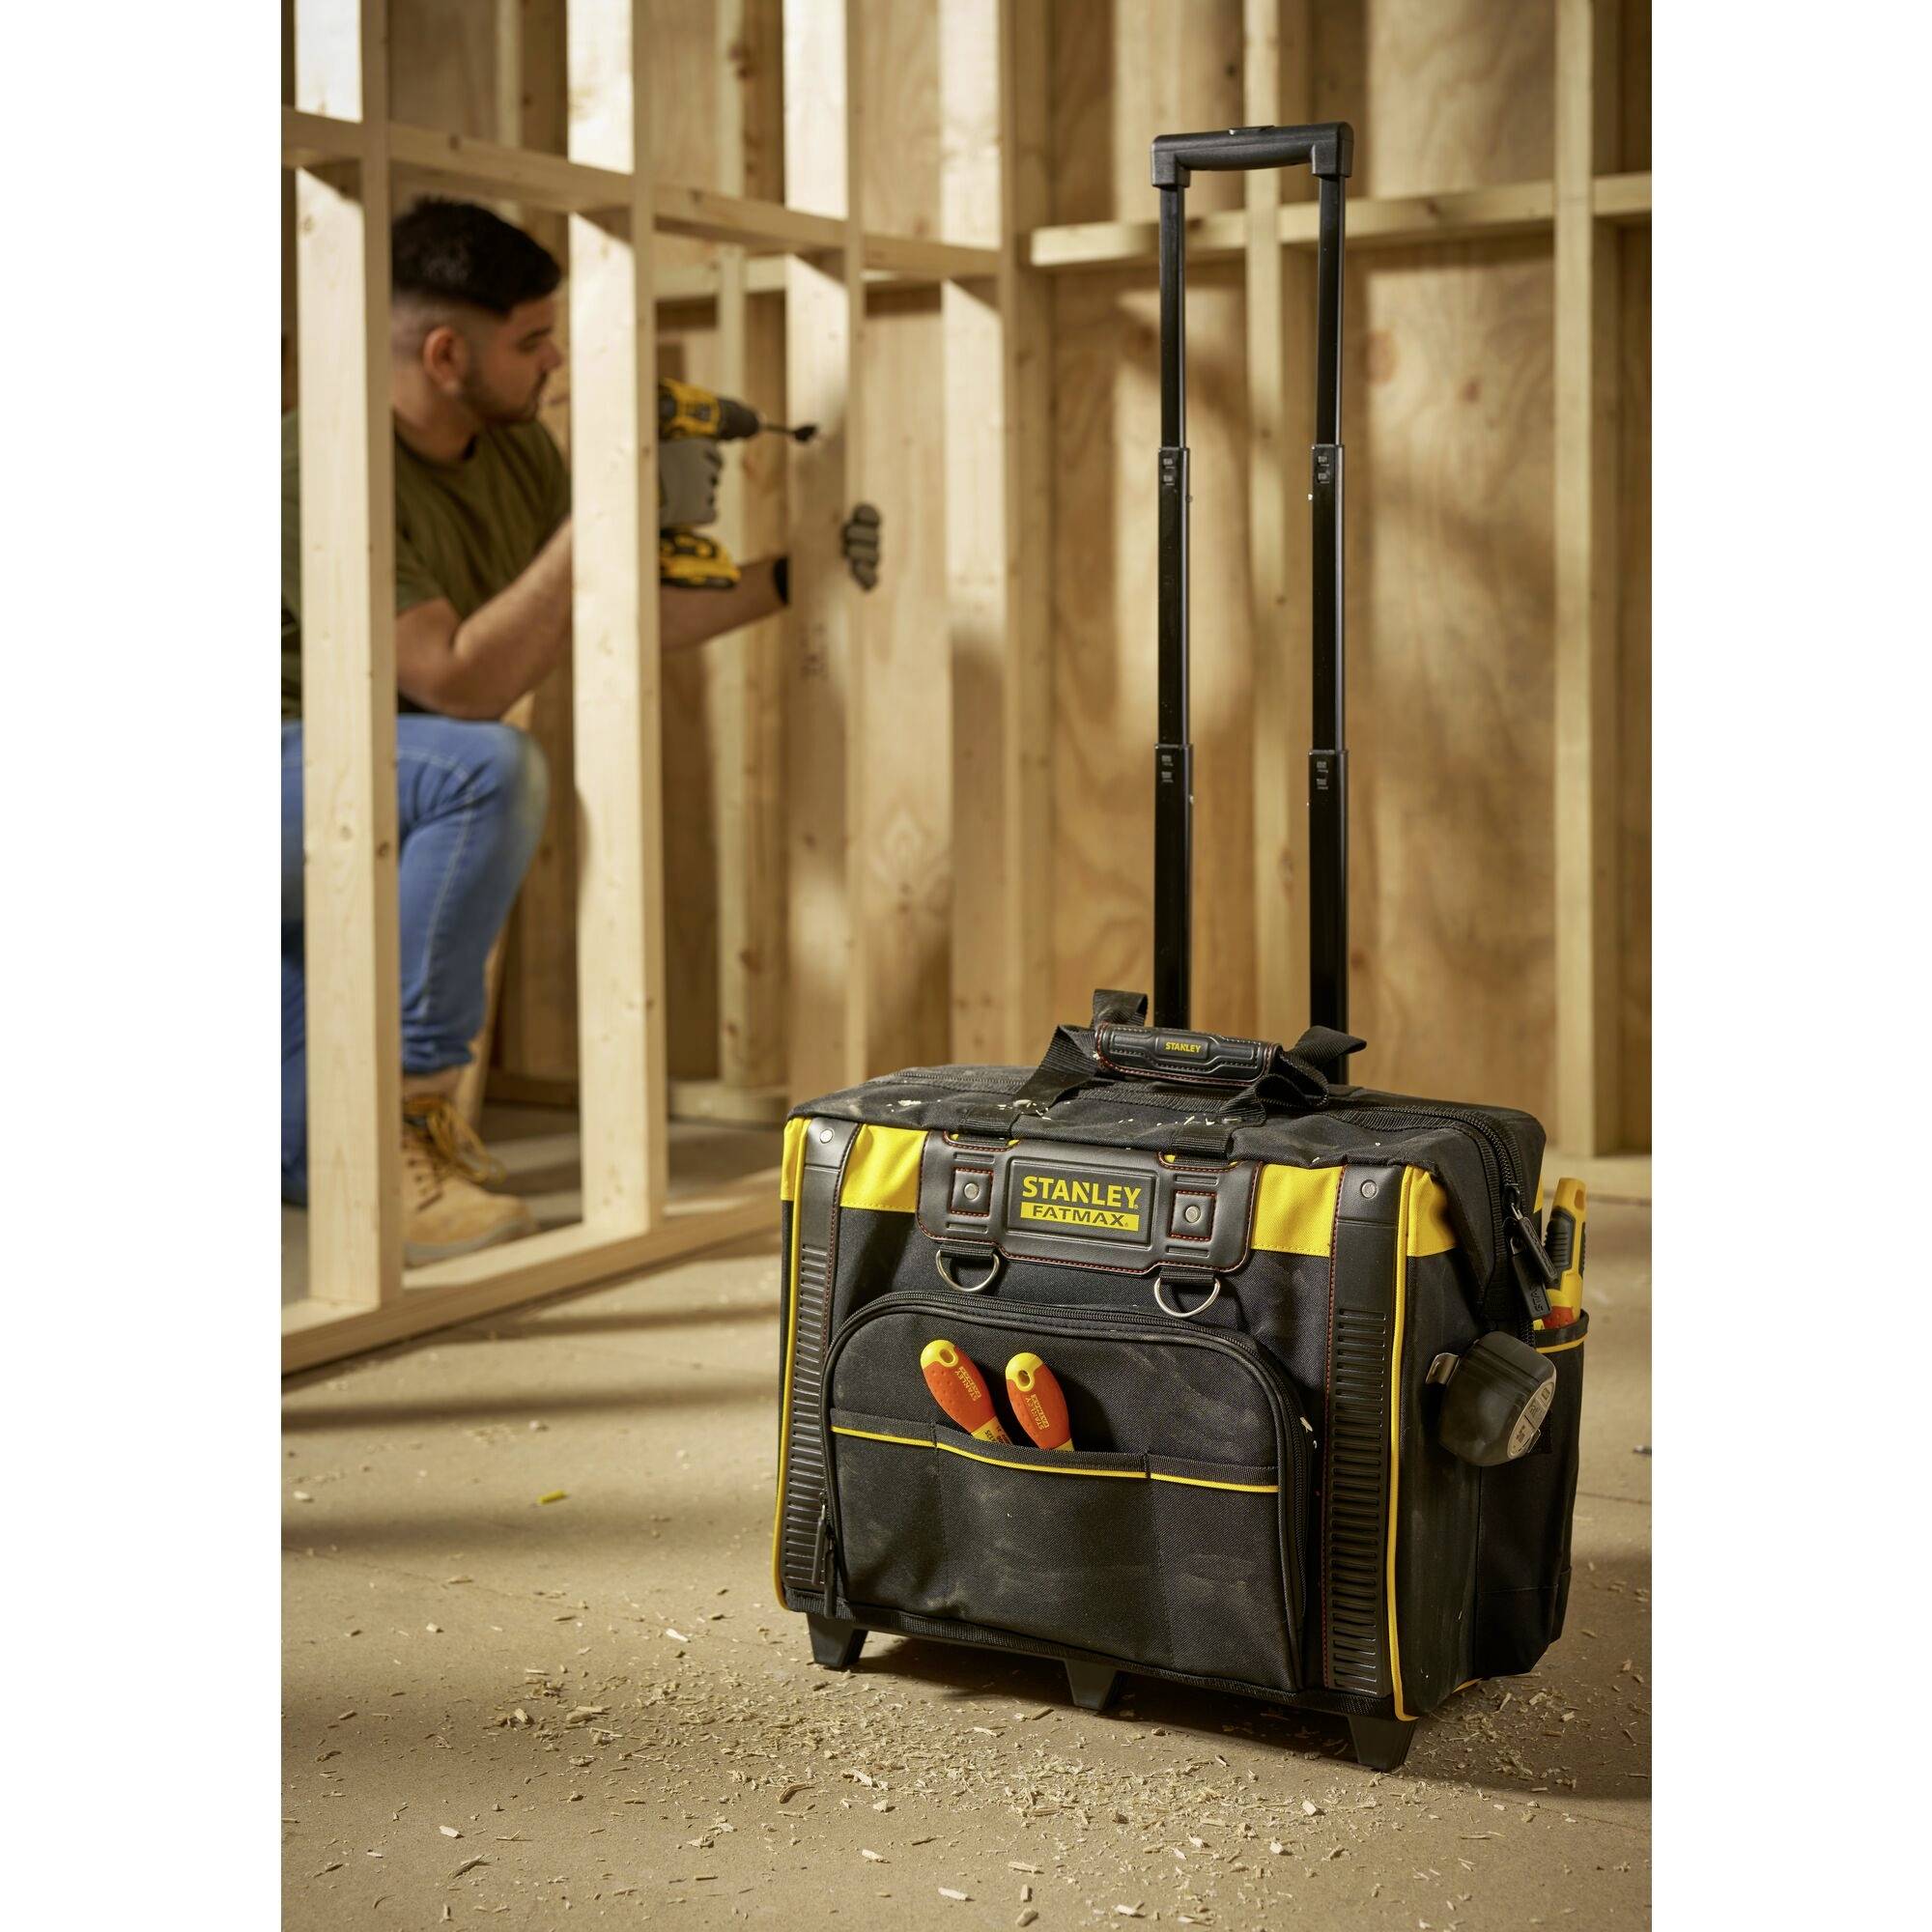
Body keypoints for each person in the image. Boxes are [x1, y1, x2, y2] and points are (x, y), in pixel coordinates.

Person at [283, 197, 878, 1263]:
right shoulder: (321, 463)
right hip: (281, 774)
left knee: (294, 1136)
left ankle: (343, 1143)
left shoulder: (512, 458)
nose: (554, 359)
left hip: (372, 783)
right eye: (531, 339)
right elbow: (459, 684)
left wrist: (788, 574)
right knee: (487, 768)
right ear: (445, 350)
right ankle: (405, 1120)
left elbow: (608, 610)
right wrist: (598, 517)